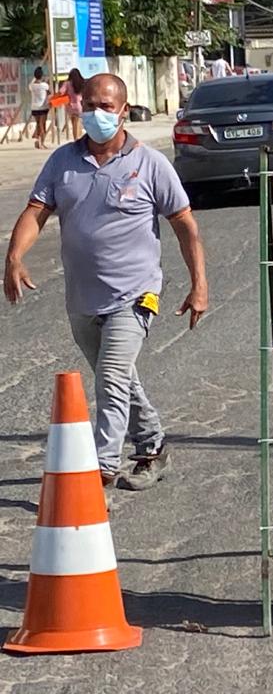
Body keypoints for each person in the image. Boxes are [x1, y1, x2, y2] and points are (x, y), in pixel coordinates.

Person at [3, 74, 209, 491]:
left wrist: (198, 285)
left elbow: (185, 226)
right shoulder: (62, 161)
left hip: (136, 294)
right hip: (82, 297)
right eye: (90, 105)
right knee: (116, 376)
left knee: (111, 376)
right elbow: (36, 212)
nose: (96, 114)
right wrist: (14, 258)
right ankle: (153, 446)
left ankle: (101, 472)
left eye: (106, 107)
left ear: (124, 111)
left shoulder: (150, 164)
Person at [60, 67, 85, 140]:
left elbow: (61, 92)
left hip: (69, 106)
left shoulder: (67, 83)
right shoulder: (81, 83)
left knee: (73, 123)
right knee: (77, 123)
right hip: (78, 106)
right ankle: (77, 138)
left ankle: (75, 138)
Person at [29, 67, 49, 150]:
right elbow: (49, 91)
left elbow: (32, 82)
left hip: (34, 108)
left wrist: (35, 77)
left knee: (38, 124)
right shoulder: (44, 85)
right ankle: (42, 143)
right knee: (42, 125)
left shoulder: (32, 86)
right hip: (43, 107)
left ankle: (38, 141)